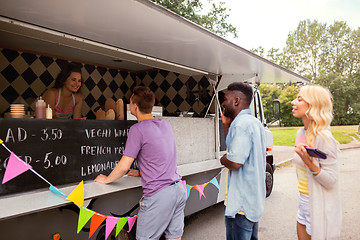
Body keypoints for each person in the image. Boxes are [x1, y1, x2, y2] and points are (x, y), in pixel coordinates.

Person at [94, 86, 186, 240]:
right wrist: (141, 172)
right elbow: (161, 157)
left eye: (129, 102)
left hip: (159, 196)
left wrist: (106, 179)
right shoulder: (165, 124)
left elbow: (124, 166)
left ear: (134, 107)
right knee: (174, 238)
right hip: (178, 190)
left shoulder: (137, 129)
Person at [291, 85, 341, 240]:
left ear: (312, 106)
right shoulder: (301, 133)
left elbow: (331, 181)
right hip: (303, 200)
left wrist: (309, 163)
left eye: (299, 99)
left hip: (319, 204)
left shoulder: (323, 138)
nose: (293, 102)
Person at [220, 82, 266, 240]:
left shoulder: (241, 125)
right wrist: (226, 126)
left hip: (240, 207)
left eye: (225, 98)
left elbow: (234, 161)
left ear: (236, 101)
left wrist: (222, 159)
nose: (222, 103)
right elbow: (235, 150)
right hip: (252, 204)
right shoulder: (254, 123)